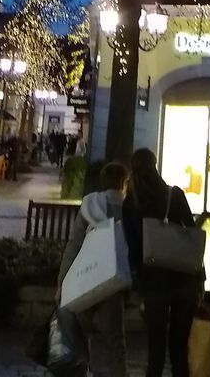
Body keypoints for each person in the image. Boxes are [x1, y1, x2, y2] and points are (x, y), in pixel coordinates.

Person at [122, 148, 202, 377]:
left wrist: (138, 282)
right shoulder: (174, 195)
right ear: (155, 165)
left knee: (155, 351)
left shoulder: (131, 203)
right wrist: (199, 278)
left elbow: (133, 248)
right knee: (179, 349)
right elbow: (192, 235)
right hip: (184, 280)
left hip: (154, 283)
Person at [58, 161, 129, 377]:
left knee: (78, 336)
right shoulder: (129, 210)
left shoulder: (90, 206)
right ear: (124, 183)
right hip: (113, 282)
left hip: (85, 278)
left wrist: (62, 282)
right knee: (113, 339)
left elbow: (74, 245)